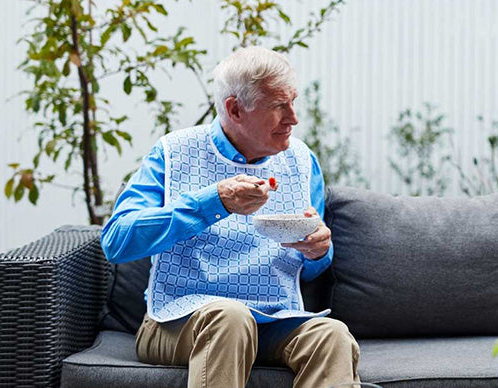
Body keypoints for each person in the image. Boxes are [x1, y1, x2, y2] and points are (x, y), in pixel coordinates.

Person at [101, 46, 359, 388]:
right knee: (230, 317)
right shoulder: (173, 153)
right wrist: (214, 201)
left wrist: (316, 249)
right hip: (178, 320)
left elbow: (313, 266)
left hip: (273, 318)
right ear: (235, 109)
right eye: (278, 105)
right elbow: (117, 241)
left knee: (332, 335)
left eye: (292, 102)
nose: (293, 118)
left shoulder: (301, 160)